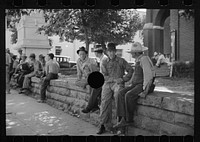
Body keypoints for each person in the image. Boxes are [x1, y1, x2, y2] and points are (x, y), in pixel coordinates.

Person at [113, 42, 155, 130]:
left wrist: (145, 90)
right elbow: (135, 75)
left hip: (142, 85)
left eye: (132, 52)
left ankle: (129, 119)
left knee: (129, 95)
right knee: (121, 92)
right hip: (136, 84)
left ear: (135, 53)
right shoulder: (138, 60)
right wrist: (128, 83)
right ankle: (121, 118)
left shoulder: (144, 59)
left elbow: (148, 75)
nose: (131, 54)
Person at [97, 43, 133, 134]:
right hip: (107, 83)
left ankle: (120, 125)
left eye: (113, 51)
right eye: (109, 51)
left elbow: (131, 70)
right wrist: (111, 79)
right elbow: (103, 75)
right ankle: (103, 125)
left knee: (118, 97)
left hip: (118, 84)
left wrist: (123, 79)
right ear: (107, 52)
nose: (111, 53)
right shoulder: (104, 61)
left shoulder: (121, 61)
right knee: (104, 102)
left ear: (115, 51)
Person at [81, 45, 108, 113]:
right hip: (103, 78)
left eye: (95, 52)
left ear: (97, 52)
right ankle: (95, 106)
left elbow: (105, 73)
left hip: (106, 80)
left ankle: (89, 107)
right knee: (91, 86)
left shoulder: (104, 59)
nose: (94, 54)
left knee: (95, 87)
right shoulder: (102, 58)